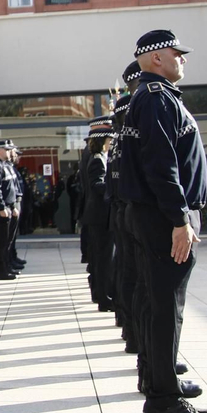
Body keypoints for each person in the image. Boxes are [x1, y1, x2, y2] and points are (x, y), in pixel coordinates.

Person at [119, 29, 207, 413]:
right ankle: (164, 401)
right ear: (157, 57)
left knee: (154, 302)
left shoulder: (150, 96)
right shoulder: (156, 98)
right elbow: (162, 164)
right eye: (177, 53)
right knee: (165, 308)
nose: (183, 60)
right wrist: (179, 219)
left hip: (154, 214)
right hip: (163, 216)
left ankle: (157, 379)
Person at [108, 63, 142, 347]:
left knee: (128, 271)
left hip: (124, 209)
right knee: (138, 277)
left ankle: (131, 329)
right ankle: (135, 334)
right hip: (133, 209)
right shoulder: (130, 133)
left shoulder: (119, 139)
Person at [79, 116, 114, 312]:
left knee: (101, 258)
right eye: (109, 141)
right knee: (103, 259)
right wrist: (114, 186)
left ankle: (102, 295)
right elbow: (97, 185)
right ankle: (104, 297)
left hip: (98, 215)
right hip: (100, 216)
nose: (110, 144)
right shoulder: (98, 160)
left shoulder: (98, 158)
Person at [0, 141, 20, 281]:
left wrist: (13, 206)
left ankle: (7, 266)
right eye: (6, 150)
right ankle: (0, 270)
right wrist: (1, 207)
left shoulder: (5, 166)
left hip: (9, 208)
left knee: (8, 240)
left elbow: (11, 189)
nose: (9, 152)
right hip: (2, 210)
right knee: (2, 241)